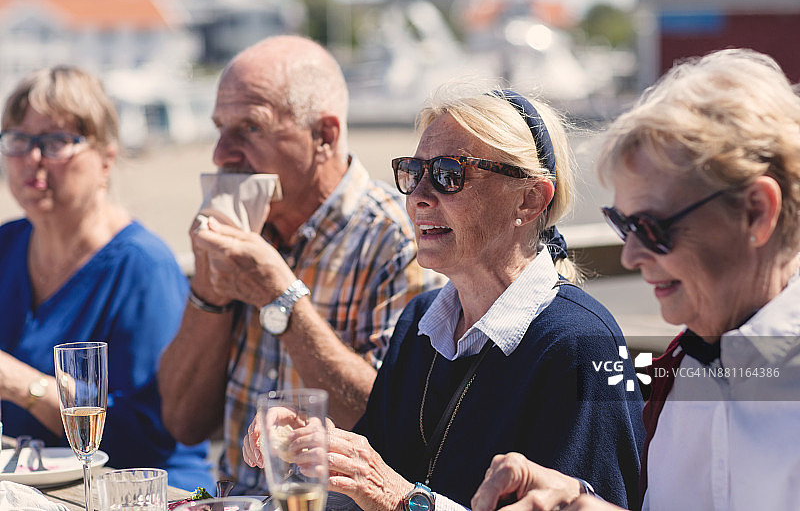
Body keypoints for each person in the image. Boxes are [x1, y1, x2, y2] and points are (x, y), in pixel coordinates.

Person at [242, 84, 646, 509]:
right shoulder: (420, 321)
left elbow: (387, 489)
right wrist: (318, 447)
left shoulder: (582, 344)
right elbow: (370, 479)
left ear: (529, 199)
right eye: (413, 172)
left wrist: (403, 499)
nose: (418, 197)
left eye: (449, 174)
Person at [470, 48, 800, 511]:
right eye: (623, 225)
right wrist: (579, 502)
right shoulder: (684, 369)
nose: (631, 254)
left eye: (651, 227)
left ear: (756, 212)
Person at [157, 35, 443, 493]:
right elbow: (183, 422)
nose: (221, 153)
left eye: (250, 128)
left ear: (324, 136)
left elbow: (393, 431)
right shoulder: (250, 227)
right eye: (220, 129)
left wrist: (280, 297)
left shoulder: (399, 238)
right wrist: (209, 291)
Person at [0, 65, 212, 491]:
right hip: (34, 482)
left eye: (55, 142)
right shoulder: (6, 244)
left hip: (144, 489)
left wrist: (24, 385)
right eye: (19, 140)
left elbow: (148, 437)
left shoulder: (143, 266)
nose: (33, 159)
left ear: (106, 160)